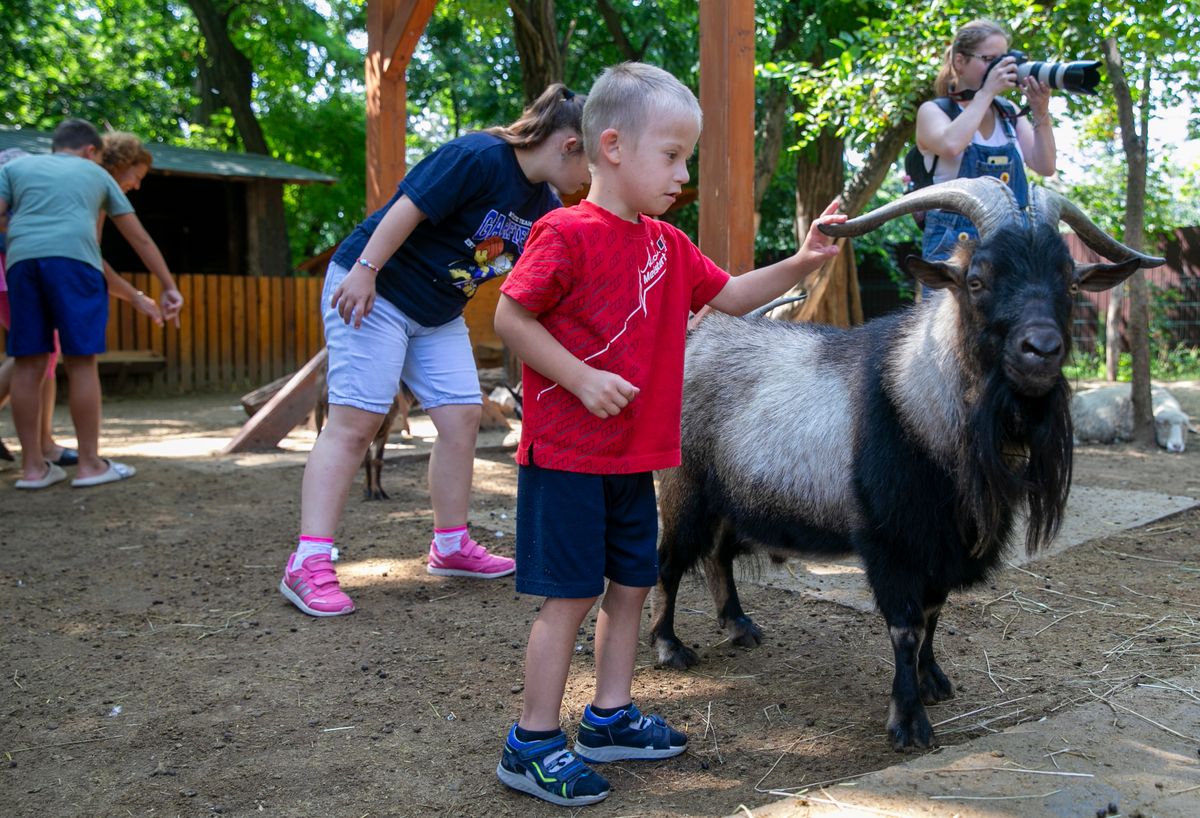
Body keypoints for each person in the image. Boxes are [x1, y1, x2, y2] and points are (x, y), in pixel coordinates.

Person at [491, 62, 844, 807]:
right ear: (612, 147)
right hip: (567, 458)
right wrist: (581, 378)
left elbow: (734, 295)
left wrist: (805, 259)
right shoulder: (564, 233)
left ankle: (610, 717)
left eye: (689, 158)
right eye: (673, 156)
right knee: (568, 599)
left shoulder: (666, 245)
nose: (683, 174)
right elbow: (510, 318)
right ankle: (531, 742)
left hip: (635, 458)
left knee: (631, 587)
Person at [279, 83, 591, 617]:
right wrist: (365, 272)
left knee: (462, 416)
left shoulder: (542, 204)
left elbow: (545, 278)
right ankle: (307, 562)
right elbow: (407, 210)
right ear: (568, 144)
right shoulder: (478, 156)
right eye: (592, 165)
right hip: (376, 286)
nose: (591, 182)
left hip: (436, 311)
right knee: (356, 422)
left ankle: (450, 546)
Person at [0, 118, 182, 489]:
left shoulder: (14, 168)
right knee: (81, 362)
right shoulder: (95, 175)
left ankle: (33, 470)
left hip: (20, 263)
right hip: (73, 263)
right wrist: (168, 285)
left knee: (28, 364)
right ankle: (89, 465)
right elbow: (140, 239)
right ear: (90, 151)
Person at [914, 19, 1056, 262]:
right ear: (960, 61)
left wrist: (1040, 110)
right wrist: (987, 92)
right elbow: (951, 145)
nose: (1000, 68)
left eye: (1004, 59)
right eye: (990, 60)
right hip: (952, 252)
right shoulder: (934, 111)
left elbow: (1045, 166)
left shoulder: (1008, 112)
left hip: (1010, 250)